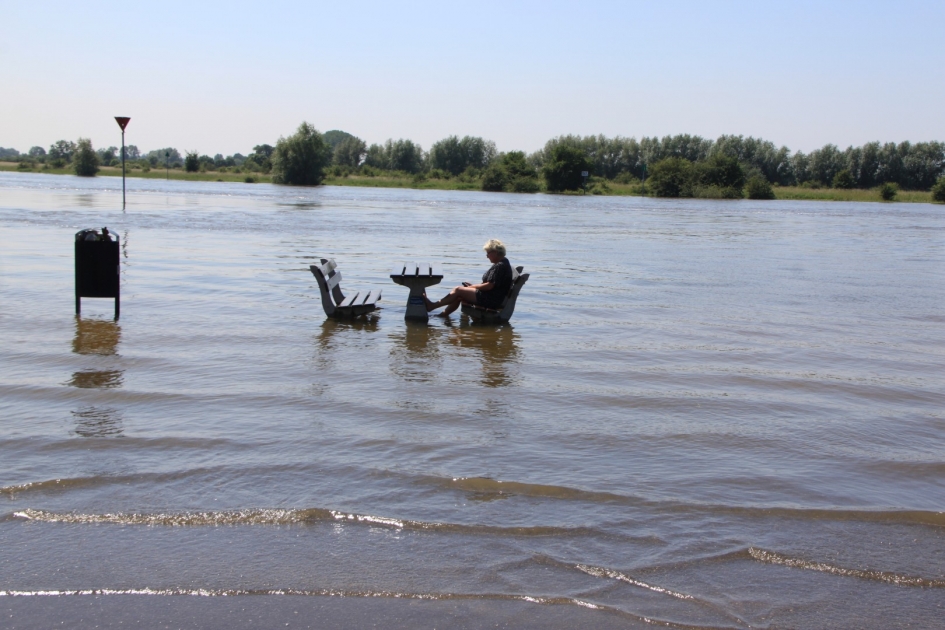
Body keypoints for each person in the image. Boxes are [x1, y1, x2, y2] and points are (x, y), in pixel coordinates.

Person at [425, 239, 513, 316]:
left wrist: (472, 287)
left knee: (458, 290)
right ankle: (443, 315)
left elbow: (489, 286)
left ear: (495, 252)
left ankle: (432, 306)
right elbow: (491, 285)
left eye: (488, 253)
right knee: (459, 294)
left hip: (491, 299)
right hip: (493, 297)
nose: (487, 256)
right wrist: (473, 287)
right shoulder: (503, 262)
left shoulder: (500, 266)